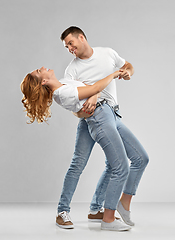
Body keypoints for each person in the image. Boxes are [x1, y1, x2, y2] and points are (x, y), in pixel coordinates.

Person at [55, 26, 149, 231]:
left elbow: (128, 66)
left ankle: (98, 208)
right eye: (66, 47)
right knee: (79, 165)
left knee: (135, 159)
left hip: (112, 112)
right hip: (92, 117)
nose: (69, 48)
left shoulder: (107, 53)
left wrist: (127, 72)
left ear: (81, 37)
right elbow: (74, 107)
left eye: (71, 43)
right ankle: (63, 210)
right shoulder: (72, 70)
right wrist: (90, 103)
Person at [20, 67, 132, 231]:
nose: (41, 68)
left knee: (92, 164)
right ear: (43, 81)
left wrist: (93, 94)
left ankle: (94, 209)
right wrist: (114, 75)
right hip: (94, 119)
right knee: (83, 165)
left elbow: (94, 88)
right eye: (38, 71)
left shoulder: (65, 83)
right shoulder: (62, 93)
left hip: (89, 120)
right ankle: (63, 211)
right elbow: (94, 88)